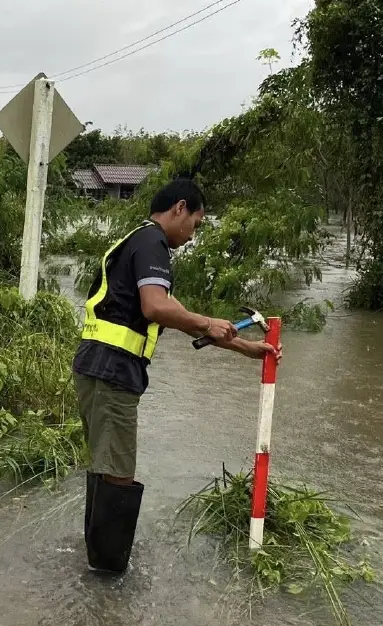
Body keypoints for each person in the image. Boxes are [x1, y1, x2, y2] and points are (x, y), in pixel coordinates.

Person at [73, 177, 282, 575]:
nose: (192, 236)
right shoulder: (153, 244)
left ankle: (97, 561)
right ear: (180, 208)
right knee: (118, 473)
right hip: (112, 371)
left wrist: (247, 348)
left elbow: (181, 317)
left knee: (105, 465)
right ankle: (108, 574)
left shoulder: (138, 241)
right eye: (196, 225)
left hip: (98, 368)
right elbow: (156, 308)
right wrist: (207, 319)